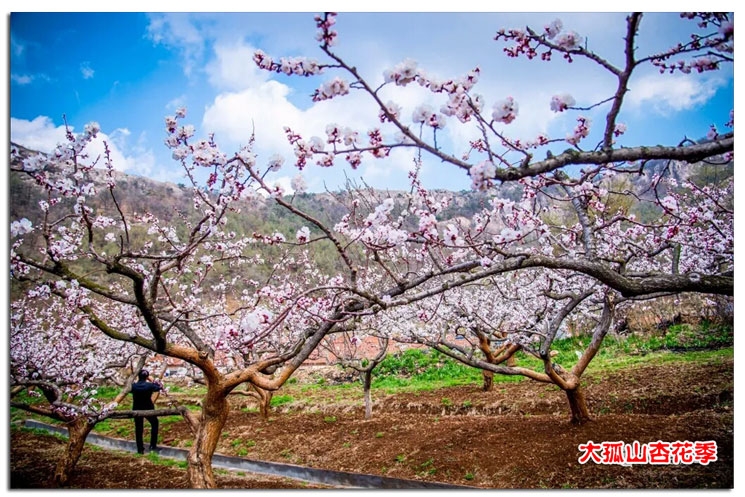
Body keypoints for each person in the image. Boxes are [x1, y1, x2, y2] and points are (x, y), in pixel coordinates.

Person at [131, 369, 163, 454]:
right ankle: (152, 445)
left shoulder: (133, 386)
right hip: (148, 408)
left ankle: (140, 449)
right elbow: (160, 387)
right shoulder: (150, 386)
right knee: (155, 423)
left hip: (136, 409)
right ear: (147, 377)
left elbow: (128, 389)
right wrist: (152, 380)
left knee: (138, 428)